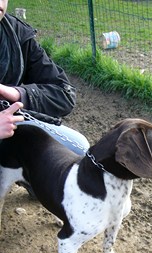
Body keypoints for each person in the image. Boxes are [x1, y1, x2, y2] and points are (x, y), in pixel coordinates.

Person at [0, 0, 89, 154]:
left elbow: (64, 94)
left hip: (9, 123)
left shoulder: (17, 34)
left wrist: (20, 94)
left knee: (78, 147)